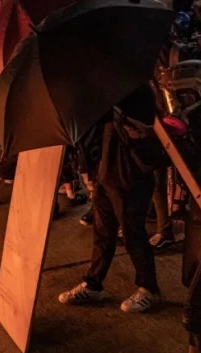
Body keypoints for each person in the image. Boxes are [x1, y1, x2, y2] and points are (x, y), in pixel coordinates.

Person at [58, 84, 163, 313]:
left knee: (132, 233)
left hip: (129, 175)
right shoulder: (105, 92)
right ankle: (93, 284)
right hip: (105, 174)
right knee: (102, 233)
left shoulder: (139, 90)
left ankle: (149, 288)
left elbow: (144, 131)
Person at [158, 59, 201, 353]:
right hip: (200, 220)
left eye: (179, 96)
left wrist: (187, 144)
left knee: (195, 311)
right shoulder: (197, 127)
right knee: (197, 295)